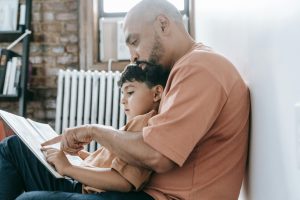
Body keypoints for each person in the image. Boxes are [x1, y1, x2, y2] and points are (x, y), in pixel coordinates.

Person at [6, 0, 251, 199]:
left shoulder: (201, 68)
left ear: (163, 25)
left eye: (134, 42)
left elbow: (158, 155)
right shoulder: (181, 71)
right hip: (145, 190)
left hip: (160, 196)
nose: (133, 57)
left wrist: (95, 131)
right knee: (14, 148)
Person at [0, 63, 169, 200]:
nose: (123, 100)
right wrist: (82, 156)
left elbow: (123, 181)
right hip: (81, 178)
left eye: (130, 92)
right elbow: (113, 165)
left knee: (10, 147)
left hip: (81, 186)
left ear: (156, 93)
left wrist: (67, 168)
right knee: (15, 145)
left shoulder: (145, 125)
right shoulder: (135, 126)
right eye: (122, 93)